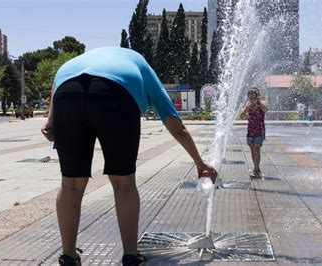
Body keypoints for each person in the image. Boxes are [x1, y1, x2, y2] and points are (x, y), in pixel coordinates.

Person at [41, 47, 218, 266]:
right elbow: (175, 124)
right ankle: (130, 255)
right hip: (115, 94)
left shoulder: (76, 62)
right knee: (123, 183)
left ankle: (68, 255)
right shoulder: (139, 63)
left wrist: (51, 118)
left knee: (71, 185)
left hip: (67, 93)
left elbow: (59, 77)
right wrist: (199, 163)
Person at [240, 87, 268, 178]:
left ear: (257, 96)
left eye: (254, 97)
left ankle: (255, 170)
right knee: (252, 152)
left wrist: (260, 102)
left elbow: (266, 109)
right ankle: (257, 168)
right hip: (251, 130)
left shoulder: (261, 103)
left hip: (259, 130)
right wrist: (246, 109)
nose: (252, 99)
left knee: (257, 150)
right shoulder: (248, 105)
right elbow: (241, 116)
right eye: (250, 97)